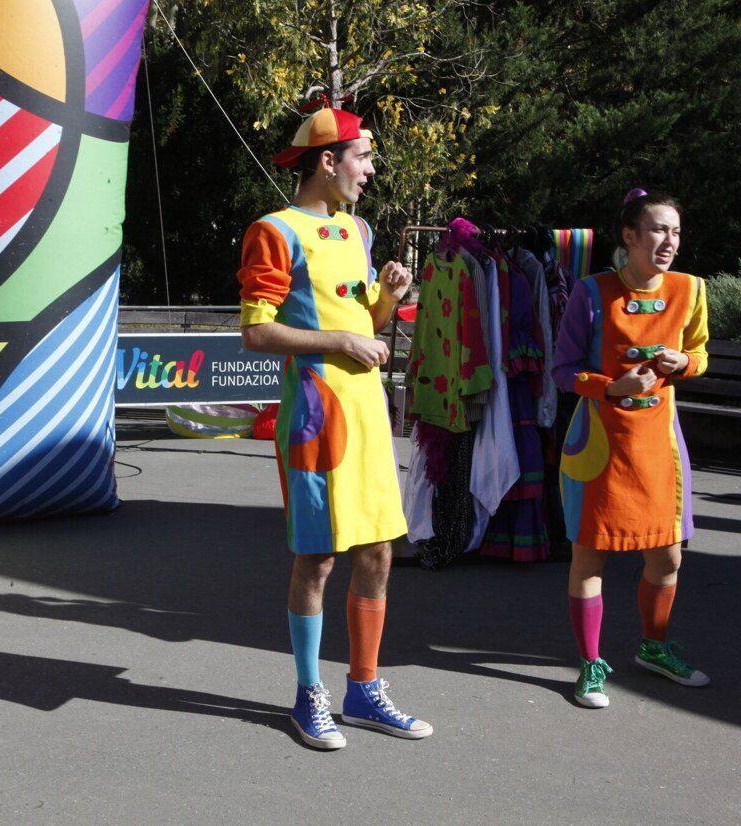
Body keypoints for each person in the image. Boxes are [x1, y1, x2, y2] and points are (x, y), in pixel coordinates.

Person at [236, 104, 431, 749]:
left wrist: (389, 298)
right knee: (317, 558)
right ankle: (307, 694)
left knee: (377, 551)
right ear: (329, 159)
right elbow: (256, 330)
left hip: (368, 414)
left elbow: (367, 327)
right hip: (315, 417)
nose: (370, 172)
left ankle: (365, 690)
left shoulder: (360, 230)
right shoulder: (272, 230)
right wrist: (343, 340)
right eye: (364, 159)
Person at [552, 188, 710, 709]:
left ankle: (654, 647)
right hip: (600, 443)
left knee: (667, 555)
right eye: (660, 230)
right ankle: (590, 664)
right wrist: (609, 387)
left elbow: (700, 355)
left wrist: (680, 364)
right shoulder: (591, 291)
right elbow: (561, 368)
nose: (670, 241)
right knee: (589, 557)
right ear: (630, 235)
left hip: (659, 446)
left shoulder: (691, 290)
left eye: (677, 231)